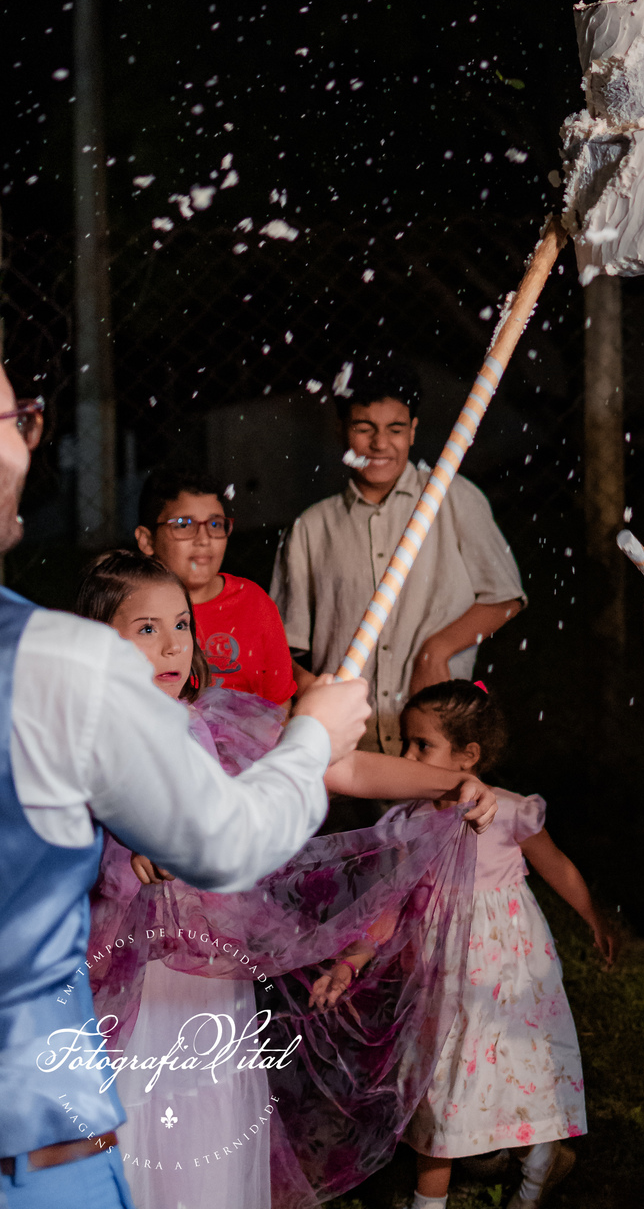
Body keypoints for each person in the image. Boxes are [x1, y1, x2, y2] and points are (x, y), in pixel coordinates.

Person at [0, 358, 370, 1207]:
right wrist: (313, 738)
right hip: (36, 1112)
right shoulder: (58, 662)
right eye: (13, 418)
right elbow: (226, 842)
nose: (28, 438)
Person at [77, 550, 496, 1209]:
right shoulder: (86, 740)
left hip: (211, 981)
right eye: (146, 629)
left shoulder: (212, 724)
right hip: (135, 985)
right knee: (140, 1123)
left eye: (181, 625)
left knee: (206, 1118)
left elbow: (343, 767)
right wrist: (131, 857)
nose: (171, 645)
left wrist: (453, 783)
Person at [318, 681, 613, 1209]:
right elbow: (391, 905)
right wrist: (352, 960)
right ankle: (431, 1199)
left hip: (504, 973)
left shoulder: (509, 811)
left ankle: (535, 1168)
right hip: (438, 979)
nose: (406, 757)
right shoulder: (410, 823)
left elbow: (556, 867)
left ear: (468, 756)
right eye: (405, 744)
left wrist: (591, 915)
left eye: (420, 746)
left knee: (518, 1066)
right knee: (439, 1082)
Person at [273, 365, 525, 756]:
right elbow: (285, 649)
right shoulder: (312, 527)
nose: (379, 444)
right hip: (348, 746)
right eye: (364, 428)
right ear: (341, 429)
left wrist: (436, 650)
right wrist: (312, 696)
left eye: (395, 429)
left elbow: (505, 596)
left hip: (434, 744)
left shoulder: (449, 497)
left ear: (413, 430)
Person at [135, 466, 294, 705]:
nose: (204, 539)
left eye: (215, 525)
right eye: (183, 524)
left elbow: (279, 701)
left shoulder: (253, 604)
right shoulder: (132, 610)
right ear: (147, 540)